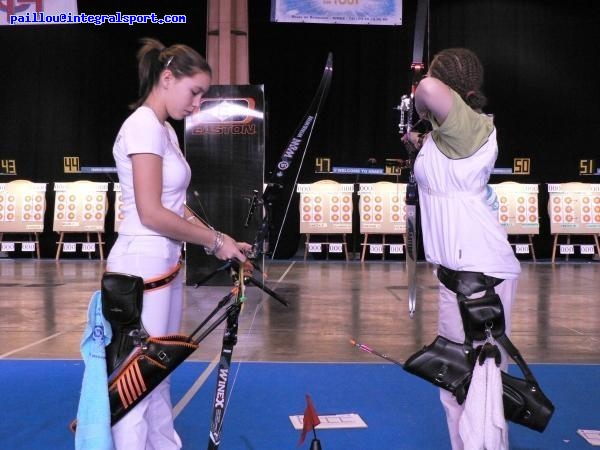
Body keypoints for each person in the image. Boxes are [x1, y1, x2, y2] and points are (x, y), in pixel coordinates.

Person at [106, 37, 250, 449]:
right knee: (134, 381)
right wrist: (215, 239)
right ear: (167, 78)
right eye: (195, 92)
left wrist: (222, 242)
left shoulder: (164, 129)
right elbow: (151, 212)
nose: (197, 103)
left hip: (164, 261)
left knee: (159, 369)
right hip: (140, 265)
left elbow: (176, 206)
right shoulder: (141, 127)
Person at [405, 48, 521, 449]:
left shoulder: (469, 124)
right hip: (458, 270)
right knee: (454, 375)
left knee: (480, 379)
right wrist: (421, 136)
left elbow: (430, 88)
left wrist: (419, 105)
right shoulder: (450, 133)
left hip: (479, 270)